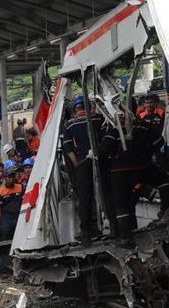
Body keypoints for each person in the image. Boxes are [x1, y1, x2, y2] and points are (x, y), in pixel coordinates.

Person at [98, 102, 169, 248]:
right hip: (141, 167)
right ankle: (167, 210)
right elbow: (159, 141)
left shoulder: (115, 130)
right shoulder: (144, 126)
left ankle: (126, 238)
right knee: (163, 179)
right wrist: (146, 154)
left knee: (121, 204)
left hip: (119, 173)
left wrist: (114, 159)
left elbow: (103, 151)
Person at [60, 95, 103, 247]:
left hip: (82, 163)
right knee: (104, 191)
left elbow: (67, 147)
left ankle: (86, 231)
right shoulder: (98, 119)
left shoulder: (70, 124)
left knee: (85, 197)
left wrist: (77, 163)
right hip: (100, 160)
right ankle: (109, 226)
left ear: (75, 109)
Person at [0, 167, 23, 241]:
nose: (11, 179)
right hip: (6, 218)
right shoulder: (0, 191)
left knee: (18, 238)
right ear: (5, 178)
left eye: (12, 177)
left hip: (18, 217)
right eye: (9, 177)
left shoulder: (20, 187)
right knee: (6, 238)